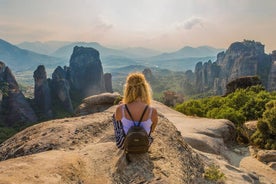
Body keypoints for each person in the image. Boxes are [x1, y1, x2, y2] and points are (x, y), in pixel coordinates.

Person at [114, 72, 158, 149]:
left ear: (127, 89)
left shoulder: (121, 109)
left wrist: (122, 106)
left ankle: (124, 137)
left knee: (115, 117)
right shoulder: (153, 111)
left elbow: (118, 119)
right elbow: (152, 130)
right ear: (144, 89)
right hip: (144, 145)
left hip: (125, 145)